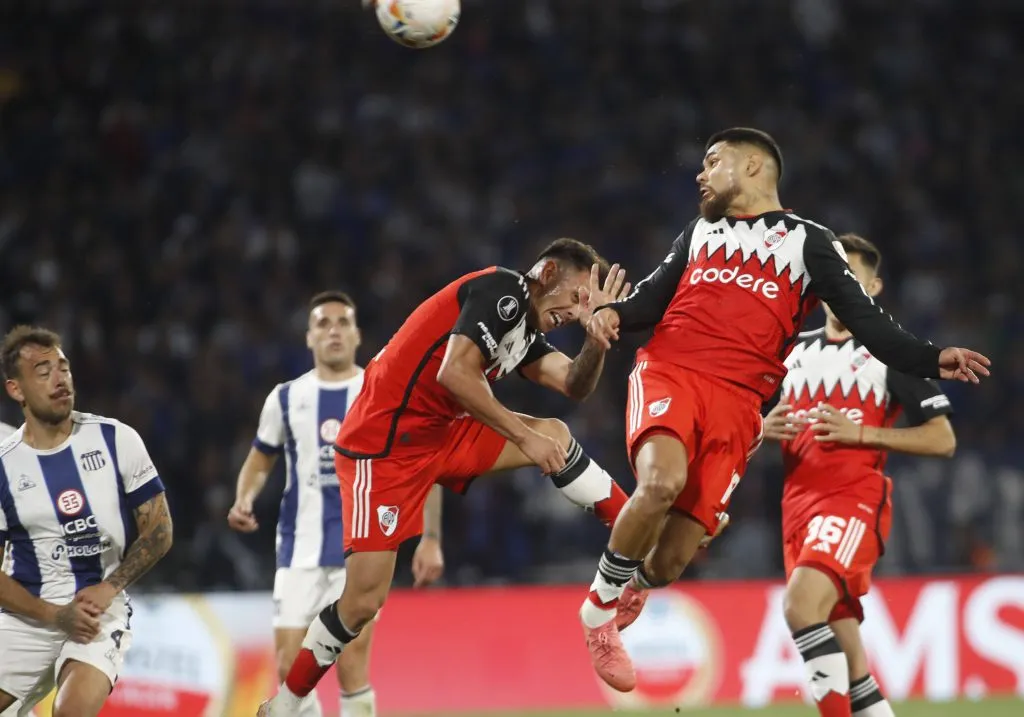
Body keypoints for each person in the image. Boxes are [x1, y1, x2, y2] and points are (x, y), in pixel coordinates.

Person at [578, 127, 991, 694]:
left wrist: (931, 356)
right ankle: (597, 614)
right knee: (662, 480)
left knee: (672, 560)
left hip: (739, 403)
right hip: (673, 369)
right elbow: (648, 302)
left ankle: (635, 585)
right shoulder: (700, 232)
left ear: (752, 169)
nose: (700, 173)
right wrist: (612, 316)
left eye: (712, 161)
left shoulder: (809, 243)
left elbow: (868, 324)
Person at [258, 238, 634, 716]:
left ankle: (635, 542)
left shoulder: (523, 330)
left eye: (587, 303)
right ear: (547, 272)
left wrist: (595, 340)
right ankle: (286, 704)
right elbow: (453, 374)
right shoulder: (502, 293)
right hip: (384, 446)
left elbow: (573, 385)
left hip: (442, 434)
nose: (577, 308)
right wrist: (523, 437)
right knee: (362, 602)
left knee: (557, 434)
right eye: (578, 295)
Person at [761, 233, 955, 717]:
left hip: (851, 500)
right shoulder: (787, 353)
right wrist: (758, 427)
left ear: (874, 286)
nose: (842, 286)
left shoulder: (891, 354)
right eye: (835, 276)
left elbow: (942, 438)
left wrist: (862, 435)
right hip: (796, 509)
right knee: (853, 664)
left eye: (853, 278)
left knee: (801, 608)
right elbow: (739, 419)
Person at [228, 291, 445, 717]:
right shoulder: (286, 398)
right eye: (323, 324)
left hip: (361, 552)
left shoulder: (382, 391)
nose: (333, 330)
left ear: (358, 335)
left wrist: (431, 538)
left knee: (351, 666)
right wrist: (244, 498)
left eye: (342, 322)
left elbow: (425, 465)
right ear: (309, 338)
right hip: (298, 550)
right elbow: (260, 457)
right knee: (291, 670)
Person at [0, 326, 173, 717]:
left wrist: (110, 586)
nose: (60, 379)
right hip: (28, 618)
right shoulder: (3, 467)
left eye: (63, 367)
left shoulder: (116, 439)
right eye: (43, 372)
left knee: (71, 712)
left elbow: (160, 531)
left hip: (98, 612)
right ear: (17, 390)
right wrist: (53, 615)